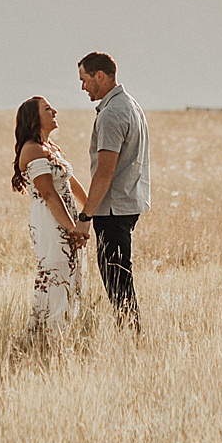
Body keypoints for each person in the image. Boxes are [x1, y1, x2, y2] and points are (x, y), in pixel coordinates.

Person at [76, 52, 150, 332]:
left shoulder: (111, 114)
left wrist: (85, 218)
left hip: (112, 209)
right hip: (127, 204)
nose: (83, 87)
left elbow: (105, 172)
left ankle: (132, 339)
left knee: (117, 281)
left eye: (85, 80)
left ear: (100, 76)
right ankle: (131, 335)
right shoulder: (130, 105)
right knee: (120, 277)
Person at [11, 95, 90, 336]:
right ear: (35, 118)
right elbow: (48, 193)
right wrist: (73, 228)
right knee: (55, 274)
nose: (54, 111)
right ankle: (50, 336)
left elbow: (71, 184)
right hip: (51, 221)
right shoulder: (33, 150)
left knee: (72, 273)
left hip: (69, 218)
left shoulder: (52, 148)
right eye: (47, 109)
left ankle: (64, 332)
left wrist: (88, 211)